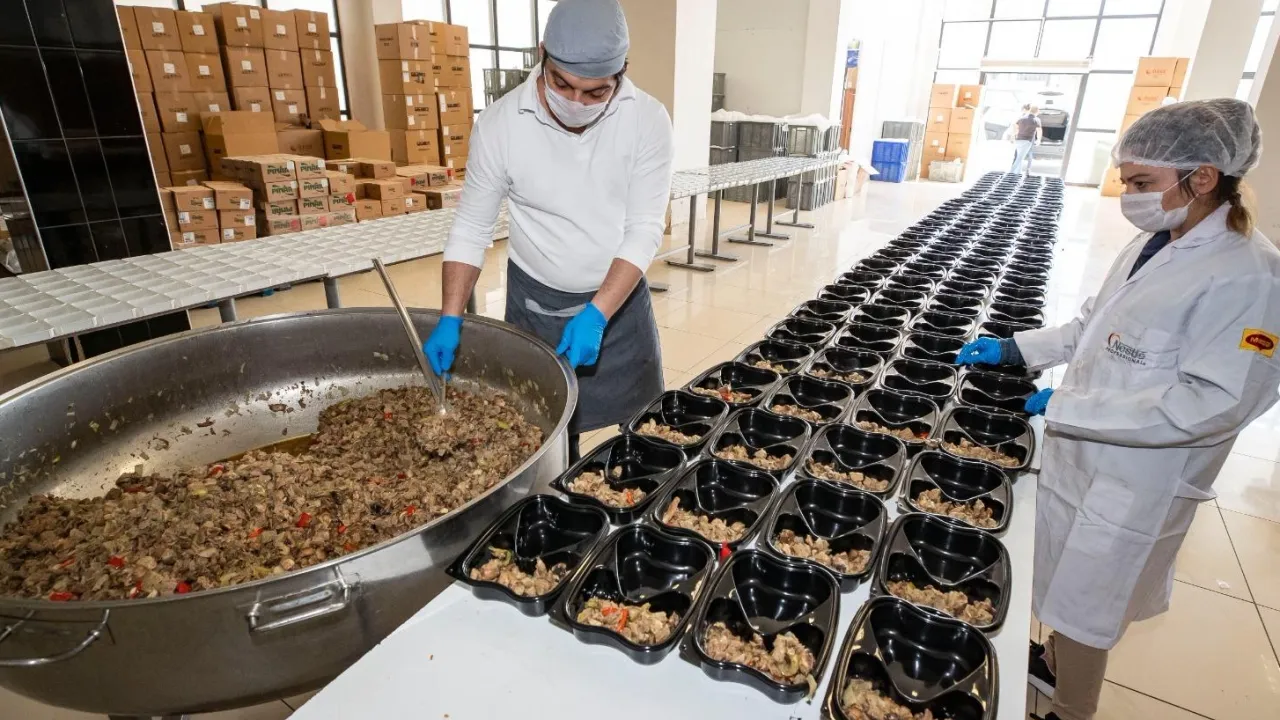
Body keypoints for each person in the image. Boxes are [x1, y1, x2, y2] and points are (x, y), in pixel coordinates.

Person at [957, 98, 1278, 720]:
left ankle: (1071, 709)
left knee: (1090, 601)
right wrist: (1016, 348)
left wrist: (1073, 407)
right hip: (1088, 456)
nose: (1129, 196)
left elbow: (1215, 403)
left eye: (1142, 183)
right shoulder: (1154, 243)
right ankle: (1052, 662)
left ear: (1202, 176)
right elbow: (1092, 329)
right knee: (1063, 575)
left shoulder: (1251, 276)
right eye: (1126, 181)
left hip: (1141, 480)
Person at [421, 0, 675, 463]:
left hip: (618, 306)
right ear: (542, 54)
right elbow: (471, 227)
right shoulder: (500, 125)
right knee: (546, 439)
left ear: (622, 72)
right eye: (562, 84)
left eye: (595, 93)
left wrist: (598, 314)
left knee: (642, 434)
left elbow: (644, 228)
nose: (575, 102)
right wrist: (451, 317)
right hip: (536, 306)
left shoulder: (647, 120)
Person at [1006, 104, 1042, 174]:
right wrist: (1038, 140)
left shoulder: (1021, 118)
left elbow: (1015, 127)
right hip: (1027, 141)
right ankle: (1010, 173)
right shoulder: (1036, 119)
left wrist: (1013, 137)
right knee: (1020, 158)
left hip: (1018, 140)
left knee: (1019, 157)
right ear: (1037, 112)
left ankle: (1018, 173)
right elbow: (1039, 130)